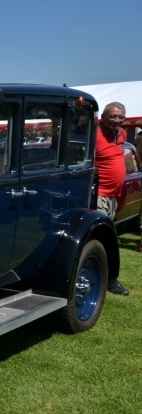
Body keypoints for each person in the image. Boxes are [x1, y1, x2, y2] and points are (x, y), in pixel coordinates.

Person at [94, 102, 131, 295]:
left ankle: (105, 277)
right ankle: (107, 280)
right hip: (99, 194)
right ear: (103, 116)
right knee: (102, 238)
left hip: (113, 196)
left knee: (107, 237)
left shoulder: (121, 134)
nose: (116, 120)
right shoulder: (94, 133)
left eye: (120, 117)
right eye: (112, 116)